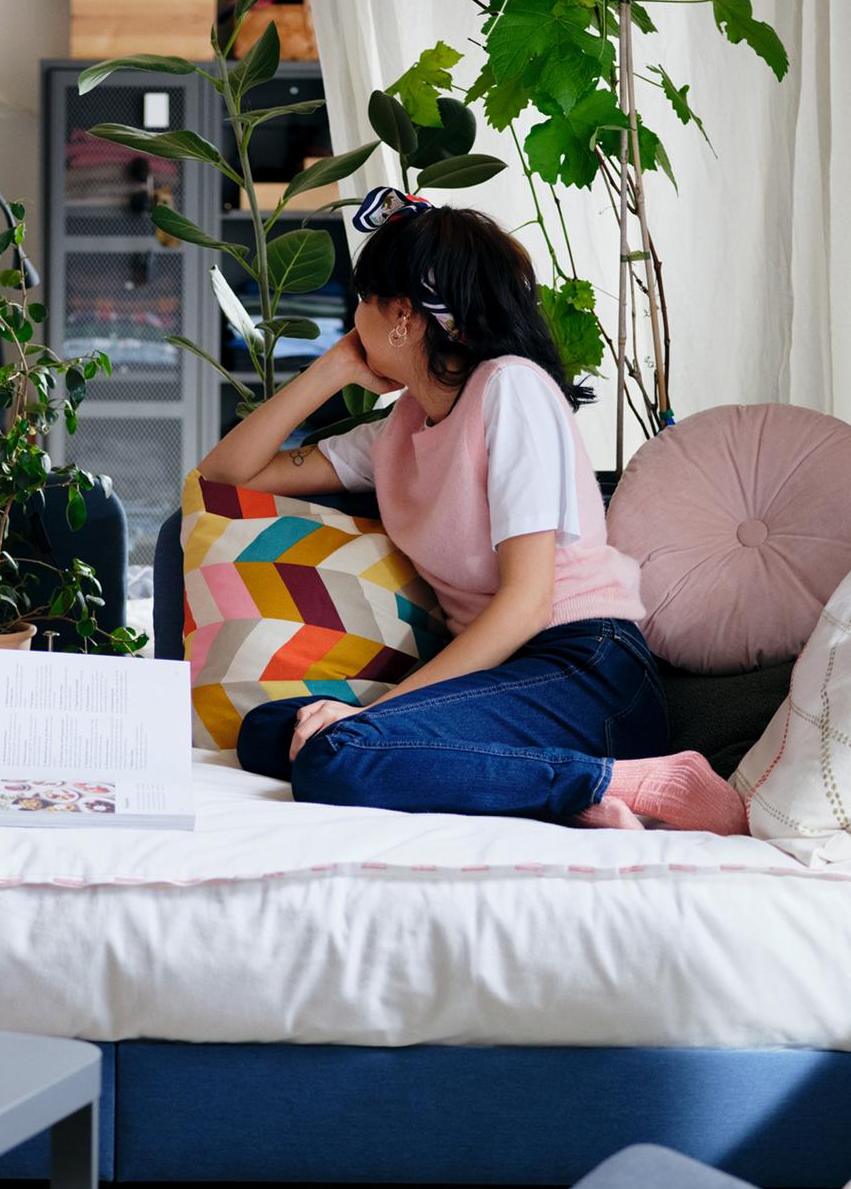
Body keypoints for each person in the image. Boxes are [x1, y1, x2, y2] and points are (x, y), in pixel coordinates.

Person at [214, 187, 748, 836]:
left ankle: (639, 780)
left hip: (584, 669)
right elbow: (225, 474)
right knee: (267, 732)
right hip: (509, 673)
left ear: (403, 316)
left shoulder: (511, 390)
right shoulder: (397, 432)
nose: (354, 318)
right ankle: (564, 793)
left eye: (363, 302)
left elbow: (527, 604)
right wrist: (331, 370)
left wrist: (373, 719)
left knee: (334, 754)